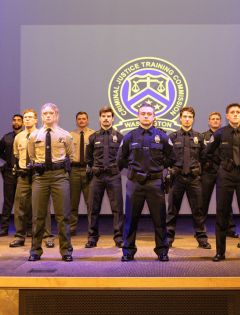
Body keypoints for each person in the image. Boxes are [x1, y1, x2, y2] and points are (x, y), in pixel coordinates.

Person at [204, 103, 240, 262]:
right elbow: (207, 152)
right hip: (226, 176)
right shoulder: (220, 133)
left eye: (238, 112)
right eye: (232, 112)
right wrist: (222, 163)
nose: (235, 114)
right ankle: (220, 252)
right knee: (222, 214)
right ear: (227, 116)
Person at [118, 103, 175, 261]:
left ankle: (162, 250)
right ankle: (128, 251)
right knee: (130, 219)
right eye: (143, 113)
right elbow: (120, 159)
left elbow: (172, 158)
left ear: (154, 117)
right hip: (135, 183)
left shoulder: (162, 137)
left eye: (149, 114)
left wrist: (159, 167)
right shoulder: (130, 136)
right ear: (138, 116)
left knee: (159, 219)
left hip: (155, 183)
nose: (146, 116)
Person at [27, 103, 73, 262]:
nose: (48, 116)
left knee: (63, 216)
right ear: (41, 116)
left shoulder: (65, 135)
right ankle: (35, 250)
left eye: (51, 113)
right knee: (38, 216)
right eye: (45, 113)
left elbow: (70, 155)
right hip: (40, 177)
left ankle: (66, 251)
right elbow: (32, 156)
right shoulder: (34, 136)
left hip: (60, 176)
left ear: (56, 115)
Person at [166, 106, 212, 250]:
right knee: (172, 211)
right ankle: (168, 238)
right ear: (180, 118)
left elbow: (204, 158)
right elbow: (166, 157)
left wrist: (197, 170)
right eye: (184, 116)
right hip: (177, 178)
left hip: (194, 179)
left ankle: (202, 239)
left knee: (198, 211)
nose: (187, 119)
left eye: (190, 117)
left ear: (193, 118)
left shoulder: (200, 137)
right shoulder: (172, 137)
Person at [9, 109, 54, 249]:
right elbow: (17, 154)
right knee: (20, 209)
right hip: (23, 176)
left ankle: (47, 237)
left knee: (43, 208)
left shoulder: (43, 135)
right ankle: (19, 237)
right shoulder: (19, 137)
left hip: (38, 175)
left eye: (30, 117)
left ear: (36, 120)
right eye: (25, 117)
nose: (27, 119)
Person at [85, 107, 125, 248]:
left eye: (109, 116)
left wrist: (116, 169)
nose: (106, 118)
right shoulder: (93, 137)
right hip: (97, 177)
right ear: (100, 118)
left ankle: (119, 238)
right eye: (103, 116)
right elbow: (88, 158)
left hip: (114, 177)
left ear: (113, 118)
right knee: (93, 209)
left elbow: (124, 158)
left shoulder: (120, 137)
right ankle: (92, 238)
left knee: (118, 209)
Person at [201, 112, 239, 239]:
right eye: (213, 119)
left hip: (224, 171)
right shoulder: (203, 136)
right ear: (209, 121)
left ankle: (230, 228)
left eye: (218, 119)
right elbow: (201, 154)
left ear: (221, 121)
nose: (215, 121)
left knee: (225, 201)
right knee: (203, 202)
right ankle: (201, 230)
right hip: (208, 172)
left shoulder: (227, 135)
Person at [0, 114, 23, 237]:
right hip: (9, 172)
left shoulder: (27, 136)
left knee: (25, 202)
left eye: (18, 120)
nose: (16, 122)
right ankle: (4, 228)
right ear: (12, 123)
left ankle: (29, 228)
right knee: (8, 201)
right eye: (14, 120)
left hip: (23, 173)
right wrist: (9, 160)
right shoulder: (6, 137)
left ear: (22, 123)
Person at [68, 112, 95, 236]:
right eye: (79, 119)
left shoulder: (93, 134)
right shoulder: (70, 135)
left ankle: (91, 229)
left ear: (87, 120)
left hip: (88, 171)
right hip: (74, 170)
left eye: (84, 119)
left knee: (90, 202)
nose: (82, 121)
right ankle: (72, 228)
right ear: (76, 120)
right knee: (73, 202)